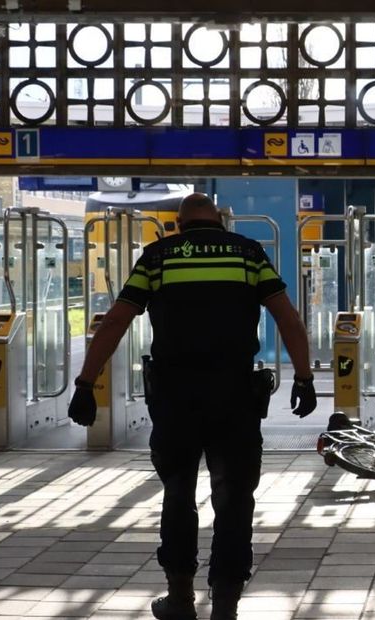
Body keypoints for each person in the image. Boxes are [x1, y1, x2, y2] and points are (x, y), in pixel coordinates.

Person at [66, 193, 317, 620]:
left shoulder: (158, 256)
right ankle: (225, 605)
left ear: (179, 225)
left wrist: (86, 383)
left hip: (175, 396)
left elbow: (116, 320)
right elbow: (287, 316)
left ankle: (180, 598)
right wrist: (305, 377)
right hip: (235, 395)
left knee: (178, 495)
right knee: (235, 499)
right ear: (220, 221)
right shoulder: (247, 253)